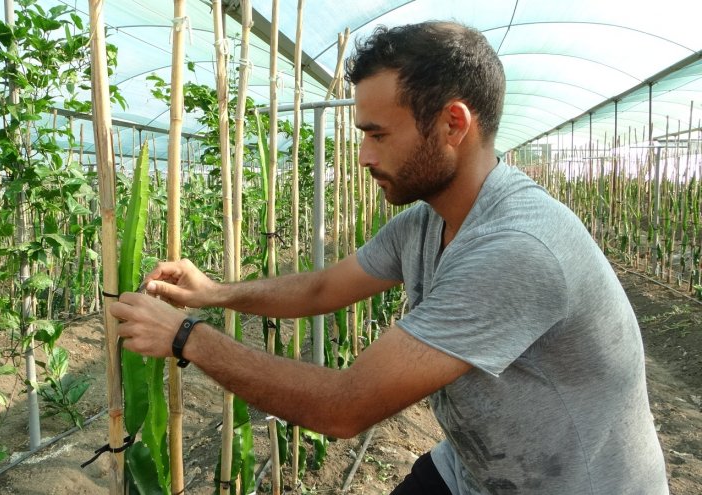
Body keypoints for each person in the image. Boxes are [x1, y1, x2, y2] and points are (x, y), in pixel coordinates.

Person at [109, 21, 668, 495]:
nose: (362, 156)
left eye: (377, 134)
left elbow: (344, 408)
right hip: (477, 470)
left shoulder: (518, 249)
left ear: (453, 124)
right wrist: (214, 292)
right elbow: (323, 290)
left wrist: (188, 338)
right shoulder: (428, 220)